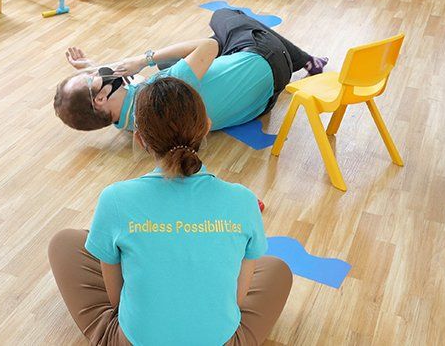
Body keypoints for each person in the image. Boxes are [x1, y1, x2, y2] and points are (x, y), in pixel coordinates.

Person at [48, 76, 293, 345]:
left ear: (140, 140)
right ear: (206, 127)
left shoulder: (115, 199)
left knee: (65, 242)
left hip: (134, 340)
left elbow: (117, 300)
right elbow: (237, 298)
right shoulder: (243, 200)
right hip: (221, 340)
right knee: (276, 269)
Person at [54, 8, 327, 134]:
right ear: (100, 98)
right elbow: (210, 46)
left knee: (169, 61)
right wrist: (143, 58)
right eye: (90, 80)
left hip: (261, 104)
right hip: (268, 60)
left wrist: (92, 66)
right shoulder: (163, 88)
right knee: (222, 18)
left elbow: (131, 82)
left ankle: (305, 59)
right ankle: (304, 59)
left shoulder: (126, 123)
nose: (95, 74)